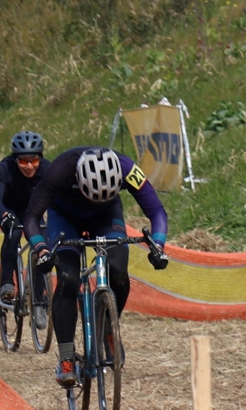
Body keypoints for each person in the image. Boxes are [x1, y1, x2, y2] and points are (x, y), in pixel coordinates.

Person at [23, 146, 168, 387]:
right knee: (67, 279)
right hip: (64, 217)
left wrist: (158, 245)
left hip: (106, 215)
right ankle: (66, 357)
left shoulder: (127, 168)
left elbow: (157, 211)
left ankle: (109, 328)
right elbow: (31, 217)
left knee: (118, 271)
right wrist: (42, 249)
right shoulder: (60, 170)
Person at [0, 131, 51, 326]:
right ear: (15, 159)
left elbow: (58, 198)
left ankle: (39, 299)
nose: (29, 166)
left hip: (33, 211)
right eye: (24, 161)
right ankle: (7, 283)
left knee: (42, 244)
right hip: (8, 209)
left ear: (40, 158)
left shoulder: (47, 169)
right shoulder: (4, 168)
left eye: (34, 161)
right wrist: (3, 215)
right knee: (14, 232)